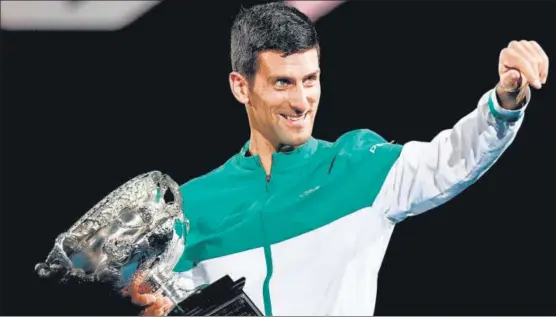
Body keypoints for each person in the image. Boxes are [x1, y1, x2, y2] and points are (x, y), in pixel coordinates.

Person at [126, 2, 549, 316]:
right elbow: (167, 299)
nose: (301, 101)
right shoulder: (193, 205)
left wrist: (504, 101)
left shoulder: (358, 165)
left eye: (311, 80)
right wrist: (153, 305)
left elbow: (453, 159)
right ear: (241, 87)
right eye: (282, 83)